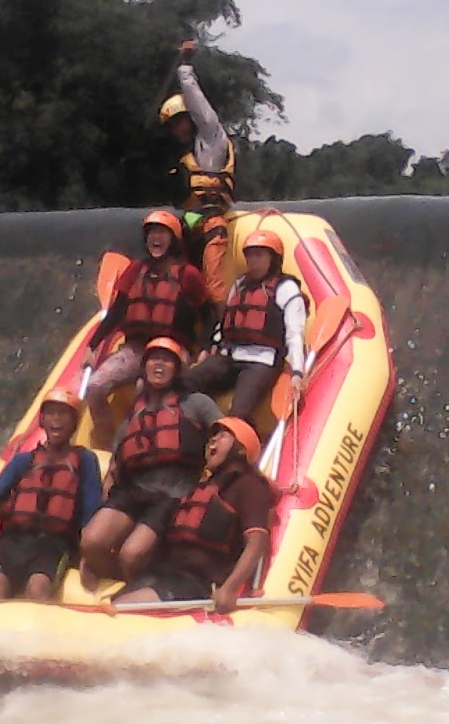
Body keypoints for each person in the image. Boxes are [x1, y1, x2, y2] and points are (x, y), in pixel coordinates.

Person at [78, 337, 222, 590]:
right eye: (154, 359)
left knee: (131, 554)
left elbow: (227, 433)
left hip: (175, 493)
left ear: (177, 369)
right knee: (91, 541)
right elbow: (116, 461)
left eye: (167, 360)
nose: (159, 364)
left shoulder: (196, 403)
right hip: (133, 490)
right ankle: (122, 582)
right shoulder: (136, 411)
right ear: (143, 368)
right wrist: (107, 496)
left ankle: (140, 587)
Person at [0, 388, 102, 602]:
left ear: (74, 422)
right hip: (14, 541)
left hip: (55, 544)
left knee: (37, 589)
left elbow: (91, 513)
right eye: (51, 413)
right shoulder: (24, 461)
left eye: (63, 414)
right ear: (42, 420)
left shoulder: (85, 460)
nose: (56, 419)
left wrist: (88, 558)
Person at [114, 417, 274, 614]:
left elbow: (257, 541)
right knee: (110, 607)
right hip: (165, 573)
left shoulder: (248, 485)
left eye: (223, 435)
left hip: (198, 583)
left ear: (241, 449)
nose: (212, 441)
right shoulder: (201, 486)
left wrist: (230, 589)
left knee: (120, 609)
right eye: (212, 436)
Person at [84, 209, 212, 432]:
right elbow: (117, 310)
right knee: (95, 386)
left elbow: (209, 313)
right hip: (136, 349)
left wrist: (204, 348)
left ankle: (142, 441)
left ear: (173, 240)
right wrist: (92, 346)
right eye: (152, 233)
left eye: (162, 233)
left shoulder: (188, 275)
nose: (156, 238)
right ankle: (105, 441)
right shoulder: (135, 270)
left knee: (145, 390)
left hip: (171, 350)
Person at [183, 228, 308, 422]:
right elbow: (224, 324)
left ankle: (237, 442)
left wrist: (297, 372)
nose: (253, 262)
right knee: (183, 384)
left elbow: (295, 332)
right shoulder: (240, 283)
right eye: (250, 256)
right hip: (229, 356)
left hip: (262, 361)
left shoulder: (285, 288)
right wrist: (211, 349)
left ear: (273, 258)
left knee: (239, 412)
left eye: (259, 255)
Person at [159, 39, 235, 289]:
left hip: (214, 225)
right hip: (190, 226)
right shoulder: (183, 158)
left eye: (179, 121)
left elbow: (198, 103)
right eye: (171, 126)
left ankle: (220, 323)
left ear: (191, 119)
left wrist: (185, 67)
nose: (176, 129)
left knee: (213, 288)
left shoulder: (211, 140)